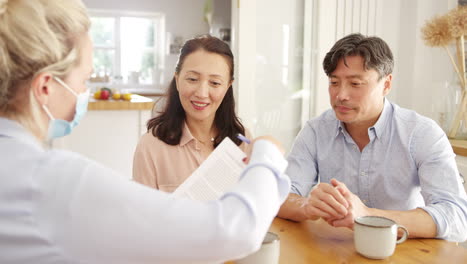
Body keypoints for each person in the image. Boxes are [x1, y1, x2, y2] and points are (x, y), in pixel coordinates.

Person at [0, 0, 291, 263]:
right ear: (46, 87)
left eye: (215, 82)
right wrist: (268, 152)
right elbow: (232, 232)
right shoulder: (57, 181)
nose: (85, 92)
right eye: (84, 79)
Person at [277, 33, 467, 242]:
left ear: (386, 84)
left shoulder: (421, 133)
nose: (341, 94)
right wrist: (307, 206)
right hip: (339, 251)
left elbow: (457, 217)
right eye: (334, 82)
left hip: (404, 251)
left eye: (355, 84)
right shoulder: (316, 130)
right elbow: (279, 197)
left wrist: (367, 216)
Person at [133, 35, 251, 192]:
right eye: (193, 79)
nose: (202, 93)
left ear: (228, 86)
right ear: (177, 79)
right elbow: (142, 213)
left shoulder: (243, 141)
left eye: (215, 83)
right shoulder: (151, 146)